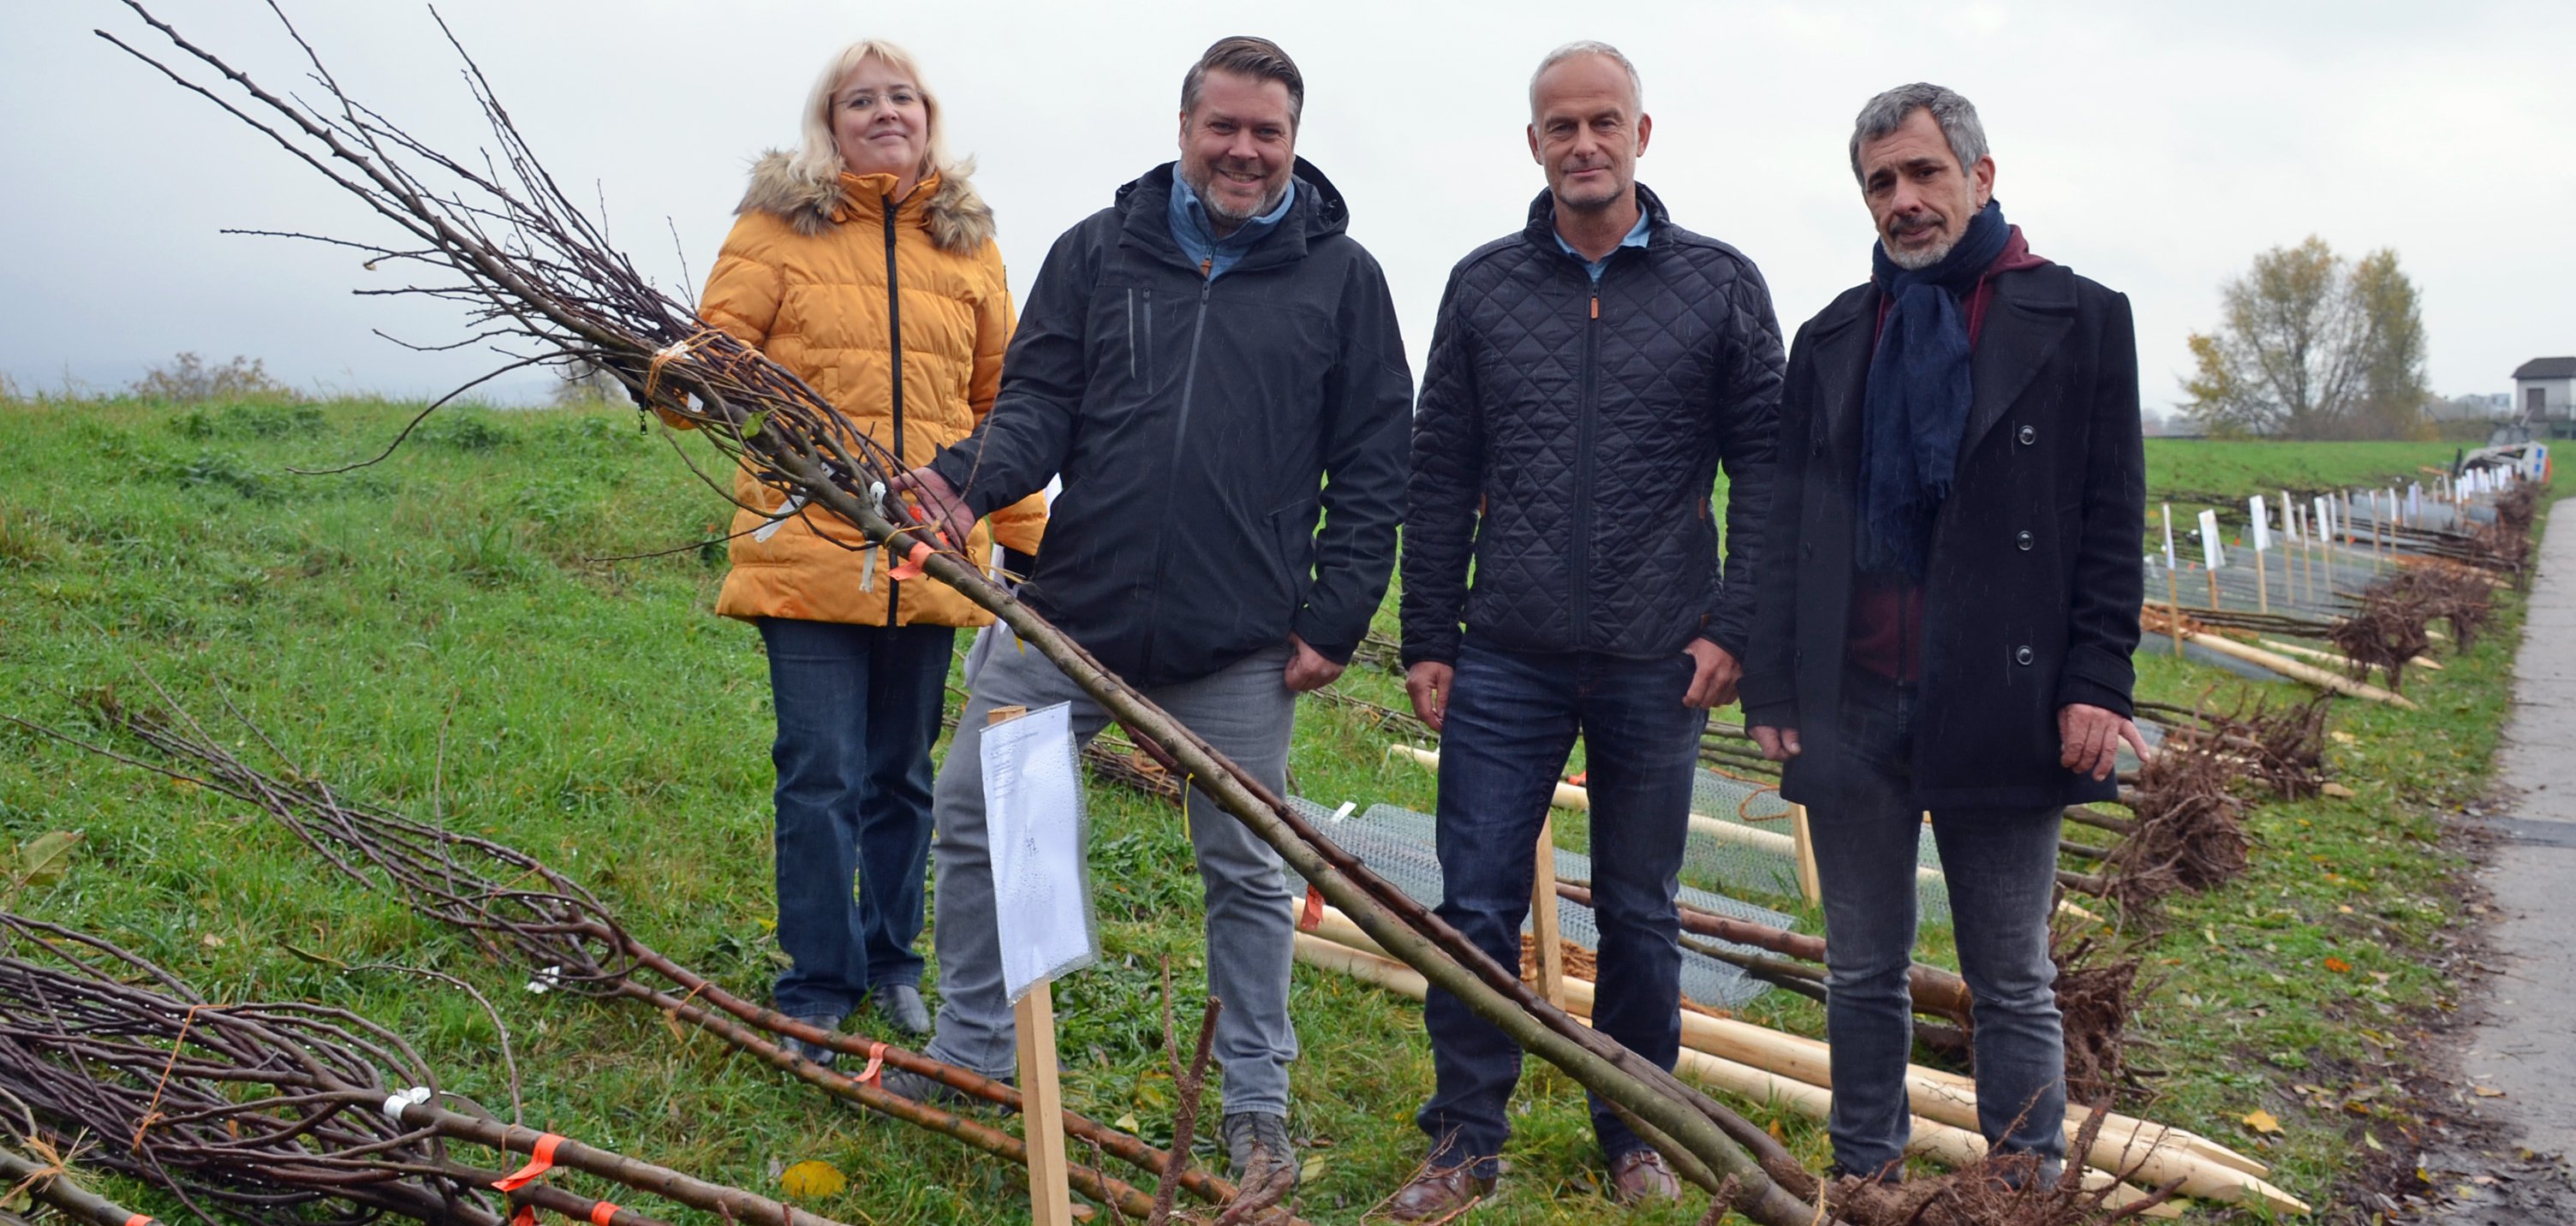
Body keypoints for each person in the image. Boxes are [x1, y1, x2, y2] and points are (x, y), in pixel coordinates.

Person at [886, 36, 1412, 1200]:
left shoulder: (1344, 280)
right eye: (1223, 127)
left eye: (1266, 132)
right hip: (1071, 615)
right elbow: (1039, 408)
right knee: (982, 809)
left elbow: (1377, 464)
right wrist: (965, 480)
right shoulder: (1098, 251)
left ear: (1293, 141)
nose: (1243, 150)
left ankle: (1255, 1107)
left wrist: (1334, 616)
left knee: (1243, 865)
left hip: (1238, 642)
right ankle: (972, 1055)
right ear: (1185, 128)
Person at [1389, 41, 1783, 1217]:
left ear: (1643, 136)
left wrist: (1736, 626)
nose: (1584, 144)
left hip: (1658, 655)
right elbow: (1439, 465)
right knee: (1474, 902)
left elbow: (1764, 469)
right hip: (1504, 649)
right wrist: (1428, 634)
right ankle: (1464, 1137)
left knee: (1641, 909)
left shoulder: (1719, 284)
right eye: (1561, 127)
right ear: (1534, 145)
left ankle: (1637, 1128)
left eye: (1604, 122)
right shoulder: (1483, 285)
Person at [1738, 83, 2147, 1184]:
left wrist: (2096, 681)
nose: (1902, 200)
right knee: (1860, 969)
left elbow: (2111, 521)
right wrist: (1773, 686)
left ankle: (2023, 1187)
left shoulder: (2078, 317)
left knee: (2009, 974)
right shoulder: (1830, 337)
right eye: (1880, 182)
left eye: (1922, 173)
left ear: (1980, 175)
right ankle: (1863, 1179)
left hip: (2002, 699)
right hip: (1855, 705)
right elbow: (1782, 525)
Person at [694, 39, 1047, 1051]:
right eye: (860, 100)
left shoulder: (966, 243)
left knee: (901, 772)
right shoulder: (776, 228)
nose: (883, 112)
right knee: (819, 770)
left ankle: (892, 959)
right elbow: (716, 363)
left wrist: (1022, 540)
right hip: (805, 544)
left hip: (928, 552)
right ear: (830, 121)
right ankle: (815, 978)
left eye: (901, 96)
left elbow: (1001, 403)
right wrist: (668, 379)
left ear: (927, 115)